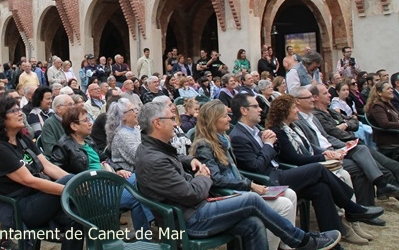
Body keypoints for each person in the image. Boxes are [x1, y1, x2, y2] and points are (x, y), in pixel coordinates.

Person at [135, 101, 342, 250]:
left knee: (252, 223)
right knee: (251, 200)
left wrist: (189, 160)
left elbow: (173, 158)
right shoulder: (154, 159)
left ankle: (299, 240)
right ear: (157, 123)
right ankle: (301, 240)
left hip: (192, 210)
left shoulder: (154, 149)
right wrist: (203, 177)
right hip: (188, 219)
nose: (176, 122)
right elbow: (191, 194)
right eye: (172, 119)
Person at [230, 93, 384, 237]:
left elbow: (275, 155)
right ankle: (351, 207)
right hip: (268, 180)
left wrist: (272, 144)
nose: (261, 109)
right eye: (255, 106)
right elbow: (256, 167)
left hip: (279, 172)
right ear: (244, 110)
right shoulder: (238, 136)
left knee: (320, 188)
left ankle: (334, 238)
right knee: (318, 169)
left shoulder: (257, 130)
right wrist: (268, 145)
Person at [191, 99, 298, 250]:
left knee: (290, 194)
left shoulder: (224, 140)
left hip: (240, 190)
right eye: (224, 116)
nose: (229, 119)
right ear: (212, 120)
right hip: (227, 196)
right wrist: (250, 185)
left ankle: (287, 246)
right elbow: (215, 180)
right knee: (284, 205)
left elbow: (236, 173)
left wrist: (251, 185)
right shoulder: (204, 145)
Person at [0, 96, 84, 250]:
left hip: (36, 198)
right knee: (71, 182)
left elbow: (48, 167)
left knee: (77, 217)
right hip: (19, 207)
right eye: (14, 110)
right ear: (0, 118)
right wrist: (71, 189)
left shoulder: (22, 139)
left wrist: (77, 183)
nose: (20, 113)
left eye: (19, 109)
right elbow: (30, 180)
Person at [51, 106, 153, 235]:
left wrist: (118, 169)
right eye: (86, 120)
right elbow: (56, 171)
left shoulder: (87, 140)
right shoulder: (64, 146)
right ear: (74, 126)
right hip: (92, 193)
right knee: (139, 194)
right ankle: (156, 225)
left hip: (107, 182)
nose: (90, 123)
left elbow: (104, 157)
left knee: (142, 178)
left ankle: (147, 233)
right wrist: (78, 183)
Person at [105, 98, 140, 172]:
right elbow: (139, 157)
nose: (136, 112)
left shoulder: (135, 129)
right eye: (133, 110)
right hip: (130, 175)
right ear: (123, 116)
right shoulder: (122, 135)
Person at [365, 81, 399, 149]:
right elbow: (384, 124)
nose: (391, 90)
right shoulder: (377, 106)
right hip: (388, 137)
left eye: (391, 88)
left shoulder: (388, 103)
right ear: (379, 93)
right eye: (388, 89)